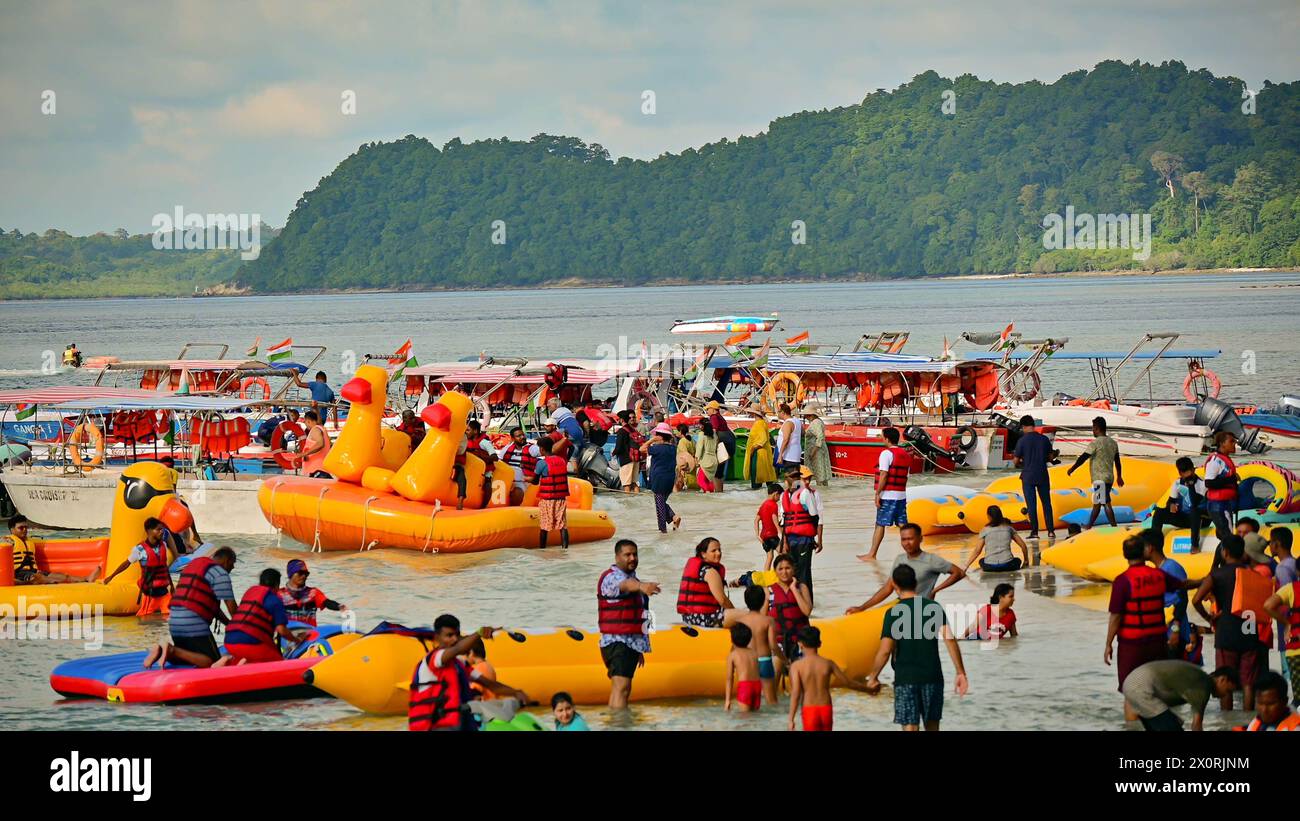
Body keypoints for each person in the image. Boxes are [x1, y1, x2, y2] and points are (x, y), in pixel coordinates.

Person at [866, 565, 969, 731]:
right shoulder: (933, 607)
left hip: (906, 678)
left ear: (895, 585)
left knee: (910, 727)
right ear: (915, 582)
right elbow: (949, 639)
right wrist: (960, 672)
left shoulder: (893, 613)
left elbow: (885, 650)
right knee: (933, 726)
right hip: (932, 677)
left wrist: (873, 677)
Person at [1107, 535, 1191, 714]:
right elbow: (1183, 586)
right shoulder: (1159, 575)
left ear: (1125, 555)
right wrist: (1207, 581)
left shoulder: (1123, 580)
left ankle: (1132, 726)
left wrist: (1108, 644)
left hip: (1132, 644)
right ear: (1143, 552)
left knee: (1131, 690)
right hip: (1157, 641)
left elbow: (1116, 616)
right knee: (1156, 688)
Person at [408, 615, 529, 731]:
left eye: (457, 635)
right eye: (449, 635)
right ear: (437, 637)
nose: (454, 639)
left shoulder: (460, 666)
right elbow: (459, 649)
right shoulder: (435, 659)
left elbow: (490, 685)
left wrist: (515, 692)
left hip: (455, 724)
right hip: (435, 725)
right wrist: (479, 633)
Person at [1193, 535, 1263, 711]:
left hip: (1226, 632)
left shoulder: (1216, 575)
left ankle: (1226, 722)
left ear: (1224, 552)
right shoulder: (1252, 573)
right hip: (1249, 631)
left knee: (1225, 680)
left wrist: (1209, 619)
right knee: (1248, 682)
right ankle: (1247, 723)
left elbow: (1196, 600)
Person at [143, 546, 239, 669]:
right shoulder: (220, 573)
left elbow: (212, 608)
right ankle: (172, 650)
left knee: (188, 658)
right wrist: (241, 628)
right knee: (212, 662)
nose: (233, 567)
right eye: (233, 563)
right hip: (194, 622)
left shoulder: (194, 565)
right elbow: (231, 606)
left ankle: (161, 651)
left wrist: (229, 624)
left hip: (174, 620)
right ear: (227, 561)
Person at [597, 539, 659, 709]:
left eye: (635, 554)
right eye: (627, 555)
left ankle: (616, 722)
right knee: (622, 688)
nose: (632, 558)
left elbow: (644, 612)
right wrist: (642, 586)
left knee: (621, 688)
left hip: (629, 643)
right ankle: (619, 724)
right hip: (618, 642)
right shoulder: (613, 577)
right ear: (617, 557)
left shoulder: (633, 578)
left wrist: (642, 646)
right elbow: (625, 585)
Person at [847, 523, 965, 612]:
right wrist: (862, 607)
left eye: (910, 539)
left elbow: (959, 573)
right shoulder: (900, 559)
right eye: (903, 539)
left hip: (923, 608)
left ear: (920, 539)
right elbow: (888, 588)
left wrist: (935, 590)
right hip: (903, 606)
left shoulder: (931, 560)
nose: (907, 543)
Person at [788, 626, 872, 731]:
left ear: (800, 644)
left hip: (809, 710)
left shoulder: (797, 666)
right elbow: (848, 683)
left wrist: (791, 719)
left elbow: (796, 693)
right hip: (826, 709)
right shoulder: (828, 664)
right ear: (819, 644)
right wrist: (869, 690)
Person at [1121, 661, 1239, 731]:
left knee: (1176, 723)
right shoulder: (1204, 686)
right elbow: (1196, 726)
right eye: (1228, 691)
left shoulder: (1200, 677)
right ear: (1222, 680)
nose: (1225, 696)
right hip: (1142, 688)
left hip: (1134, 682)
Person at [215, 568, 300, 665]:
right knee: (277, 662)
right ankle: (240, 666)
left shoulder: (250, 592)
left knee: (248, 657)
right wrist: (295, 639)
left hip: (229, 640)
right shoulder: (274, 599)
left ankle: (227, 661)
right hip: (250, 643)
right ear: (277, 584)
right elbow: (281, 630)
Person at [1138, 529, 1192, 658]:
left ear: (1150, 548)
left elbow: (1181, 599)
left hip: (1174, 634)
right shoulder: (1159, 569)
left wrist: (1175, 630)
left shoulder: (1171, 567)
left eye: (1142, 547)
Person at [103, 517, 173, 615]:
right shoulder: (139, 550)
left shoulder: (163, 545)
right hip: (150, 594)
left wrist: (172, 587)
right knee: (145, 620)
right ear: (149, 531)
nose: (162, 532)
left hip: (164, 593)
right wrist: (111, 576)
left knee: (171, 617)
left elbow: (165, 568)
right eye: (158, 529)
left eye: (162, 529)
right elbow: (126, 563)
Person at [1066, 416, 1124, 528]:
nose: (1092, 430)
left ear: (1097, 428)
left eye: (1093, 428)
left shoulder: (1095, 443)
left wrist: (1072, 468)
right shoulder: (1113, 443)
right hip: (1109, 477)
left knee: (1105, 501)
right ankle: (1089, 525)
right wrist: (1119, 476)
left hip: (1099, 478)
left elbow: (1083, 457)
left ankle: (1114, 526)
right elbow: (1118, 461)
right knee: (1097, 502)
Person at [8, 515, 99, 585]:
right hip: (19, 574)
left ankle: (87, 579)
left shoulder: (29, 542)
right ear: (12, 530)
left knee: (63, 576)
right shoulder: (9, 540)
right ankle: (51, 582)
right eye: (20, 528)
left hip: (34, 572)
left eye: (26, 527)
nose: (24, 530)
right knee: (37, 577)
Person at [864, 427, 910, 560]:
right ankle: (915, 552)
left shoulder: (886, 453)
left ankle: (872, 554)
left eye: (882, 436)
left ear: (887, 439)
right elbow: (906, 475)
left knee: (880, 524)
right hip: (901, 495)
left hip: (888, 495)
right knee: (902, 524)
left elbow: (884, 474)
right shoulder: (905, 454)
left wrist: (878, 494)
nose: (881, 439)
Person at [780, 466, 824, 602]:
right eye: (792, 478)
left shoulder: (804, 493)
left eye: (796, 477)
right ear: (787, 480)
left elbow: (814, 517)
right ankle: (794, 602)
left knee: (803, 573)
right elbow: (784, 522)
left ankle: (807, 603)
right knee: (791, 573)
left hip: (804, 540)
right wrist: (784, 543)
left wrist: (814, 538)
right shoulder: (784, 496)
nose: (794, 480)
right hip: (792, 540)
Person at [1148, 456, 1207, 552]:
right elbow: (1170, 501)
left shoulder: (1202, 484)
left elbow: (1199, 504)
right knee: (1159, 512)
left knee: (1194, 511)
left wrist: (1191, 486)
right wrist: (1171, 505)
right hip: (1185, 518)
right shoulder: (1177, 483)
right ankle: (1154, 543)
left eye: (1191, 472)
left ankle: (1195, 545)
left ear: (1193, 469)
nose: (1189, 476)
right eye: (1185, 474)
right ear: (1180, 473)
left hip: (1201, 519)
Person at [737, 584, 783, 705]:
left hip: (748, 662)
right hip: (764, 661)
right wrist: (784, 659)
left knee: (748, 700)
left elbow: (737, 646)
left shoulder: (740, 621)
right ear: (764, 601)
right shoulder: (768, 621)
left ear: (746, 601)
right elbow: (773, 645)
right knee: (771, 700)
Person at [677, 537, 738, 628]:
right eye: (713, 551)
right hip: (704, 618)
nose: (718, 553)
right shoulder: (710, 571)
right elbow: (722, 600)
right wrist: (734, 613)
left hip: (689, 618)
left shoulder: (700, 569)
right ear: (703, 554)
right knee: (747, 617)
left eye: (719, 550)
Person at [1013, 414, 1057, 539]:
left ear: (1023, 426)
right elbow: (1050, 457)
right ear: (1033, 425)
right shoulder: (1044, 439)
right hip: (1042, 474)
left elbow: (1015, 462)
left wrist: (1022, 463)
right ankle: (1050, 531)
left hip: (1028, 476)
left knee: (1031, 505)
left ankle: (1035, 532)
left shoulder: (1022, 441)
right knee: (1046, 503)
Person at [1264, 560, 1300, 706]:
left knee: (1298, 699)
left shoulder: (1291, 589)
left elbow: (1267, 605)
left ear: (1297, 572)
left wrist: (1287, 623)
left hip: (1296, 651)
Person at [767, 553, 812, 669]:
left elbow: (807, 611)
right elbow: (762, 619)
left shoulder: (802, 588)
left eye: (788, 568)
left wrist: (793, 589)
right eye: (780, 569)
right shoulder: (768, 591)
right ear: (775, 571)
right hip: (778, 643)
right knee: (776, 664)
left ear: (794, 569)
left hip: (800, 642)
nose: (784, 572)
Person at [961, 505, 1030, 573]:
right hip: (1008, 565)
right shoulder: (1009, 528)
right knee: (1017, 560)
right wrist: (1026, 561)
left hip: (990, 566)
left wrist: (966, 566)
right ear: (1000, 515)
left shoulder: (985, 530)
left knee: (982, 561)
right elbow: (1023, 545)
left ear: (989, 517)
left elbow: (977, 551)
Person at [277, 559, 346, 626]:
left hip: (311, 635)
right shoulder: (279, 595)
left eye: (306, 574)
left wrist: (339, 606)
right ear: (291, 574)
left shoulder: (313, 593)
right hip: (288, 635)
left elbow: (326, 602)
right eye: (300, 573)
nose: (304, 576)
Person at [531, 437, 570, 549]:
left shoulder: (541, 463)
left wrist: (527, 479)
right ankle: (565, 549)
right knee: (562, 525)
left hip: (547, 499)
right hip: (561, 498)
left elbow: (535, 481)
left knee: (544, 525)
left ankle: (542, 549)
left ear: (542, 449)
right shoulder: (562, 460)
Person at [1203, 431, 1239, 552]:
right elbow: (1208, 483)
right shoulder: (1215, 461)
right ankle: (1226, 565)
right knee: (1228, 538)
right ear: (1222, 443)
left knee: (1226, 538)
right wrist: (1231, 479)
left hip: (1224, 504)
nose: (1234, 444)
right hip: (1218, 505)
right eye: (1231, 441)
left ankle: (1218, 564)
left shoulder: (1224, 460)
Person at [645, 423, 681, 532]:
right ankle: (673, 517)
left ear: (659, 436)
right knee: (661, 502)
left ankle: (663, 530)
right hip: (670, 478)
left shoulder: (656, 448)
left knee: (659, 505)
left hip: (658, 478)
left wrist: (651, 441)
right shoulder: (673, 448)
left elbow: (642, 448)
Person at [1234, 672, 1299, 731]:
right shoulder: (1256, 722)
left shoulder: (1295, 728)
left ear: (1284, 702)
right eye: (1260, 703)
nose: (1264, 710)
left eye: (1270, 704)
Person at [725, 623, 763, 712]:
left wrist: (727, 700)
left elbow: (729, 679)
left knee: (744, 719)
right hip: (757, 686)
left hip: (745, 687)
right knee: (755, 717)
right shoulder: (754, 653)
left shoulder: (733, 655)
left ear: (732, 639)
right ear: (749, 639)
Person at [498, 426, 538, 506]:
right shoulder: (507, 449)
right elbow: (499, 462)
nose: (522, 437)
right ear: (513, 439)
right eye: (518, 436)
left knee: (517, 492)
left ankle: (513, 511)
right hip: (507, 481)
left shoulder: (532, 448)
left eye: (523, 435)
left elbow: (546, 452)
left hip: (522, 482)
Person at [707, 400, 736, 492]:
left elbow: (714, 430)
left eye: (708, 409)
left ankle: (718, 492)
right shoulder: (720, 417)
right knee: (720, 470)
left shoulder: (714, 417)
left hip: (723, 445)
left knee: (716, 471)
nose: (707, 411)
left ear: (713, 409)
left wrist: (712, 445)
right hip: (729, 445)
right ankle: (720, 491)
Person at [612, 410, 643, 494]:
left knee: (626, 484)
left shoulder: (622, 431)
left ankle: (628, 502)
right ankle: (638, 499)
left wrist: (613, 453)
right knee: (634, 483)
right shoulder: (633, 429)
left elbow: (618, 447)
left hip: (626, 460)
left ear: (621, 420)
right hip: (635, 458)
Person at [295, 410, 332, 478]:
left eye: (305, 422)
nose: (305, 424)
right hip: (319, 468)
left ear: (308, 421)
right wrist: (315, 408)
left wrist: (304, 454)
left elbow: (320, 444)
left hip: (317, 469)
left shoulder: (315, 429)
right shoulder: (321, 428)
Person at [801, 402, 831, 486]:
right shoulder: (816, 422)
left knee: (820, 476)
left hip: (817, 453)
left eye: (806, 415)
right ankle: (825, 495)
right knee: (821, 476)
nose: (805, 417)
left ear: (810, 415)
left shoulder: (816, 422)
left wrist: (813, 452)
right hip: (818, 451)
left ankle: (822, 494)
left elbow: (820, 437)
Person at [754, 482, 783, 569]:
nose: (779, 499)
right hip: (772, 536)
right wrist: (780, 530)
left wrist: (757, 535)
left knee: (769, 557)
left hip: (764, 537)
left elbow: (756, 520)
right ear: (776, 494)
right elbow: (774, 517)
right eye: (779, 496)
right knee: (783, 554)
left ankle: (766, 577)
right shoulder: (773, 505)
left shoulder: (763, 505)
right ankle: (778, 574)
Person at [774, 403, 803, 471]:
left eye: (778, 411)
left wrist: (780, 455)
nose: (777, 413)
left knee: (791, 477)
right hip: (795, 453)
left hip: (789, 455)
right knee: (793, 477)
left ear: (783, 412)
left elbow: (786, 439)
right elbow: (802, 433)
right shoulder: (797, 420)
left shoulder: (788, 423)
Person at [694, 420, 719, 492]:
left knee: (700, 480)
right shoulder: (714, 434)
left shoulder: (702, 434)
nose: (699, 426)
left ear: (703, 426)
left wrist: (696, 459)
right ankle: (711, 495)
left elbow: (699, 447)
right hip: (714, 460)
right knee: (709, 480)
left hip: (705, 460)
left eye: (700, 425)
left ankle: (708, 494)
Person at [674, 422, 696, 491]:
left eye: (677, 430)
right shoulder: (692, 440)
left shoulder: (682, 441)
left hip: (684, 467)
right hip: (692, 466)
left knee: (678, 488)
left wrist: (681, 470)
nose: (675, 432)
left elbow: (685, 456)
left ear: (680, 431)